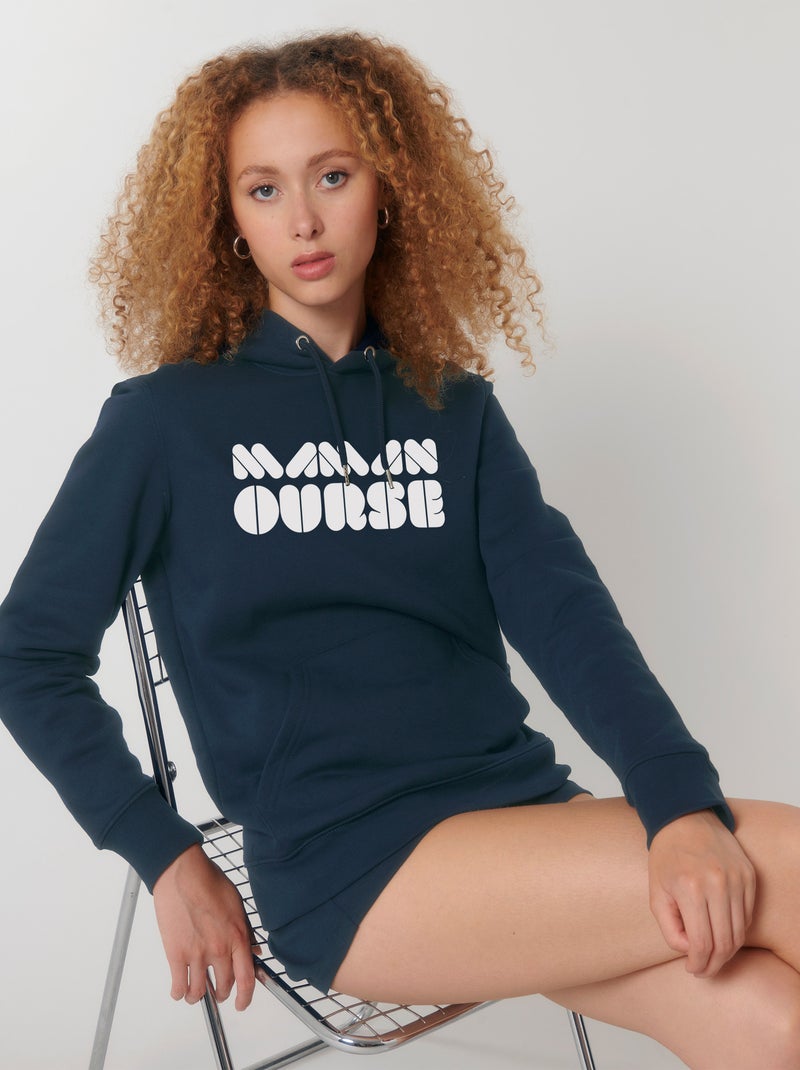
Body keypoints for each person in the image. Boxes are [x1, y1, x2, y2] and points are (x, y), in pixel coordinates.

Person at [0, 30, 797, 1069]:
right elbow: (27, 654)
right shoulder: (165, 423)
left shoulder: (452, 410)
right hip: (352, 866)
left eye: (332, 176)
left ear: (389, 189)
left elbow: (568, 622)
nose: (303, 218)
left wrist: (674, 799)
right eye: (264, 189)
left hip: (518, 816)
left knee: (770, 1019)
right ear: (228, 220)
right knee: (786, 866)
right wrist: (164, 854)